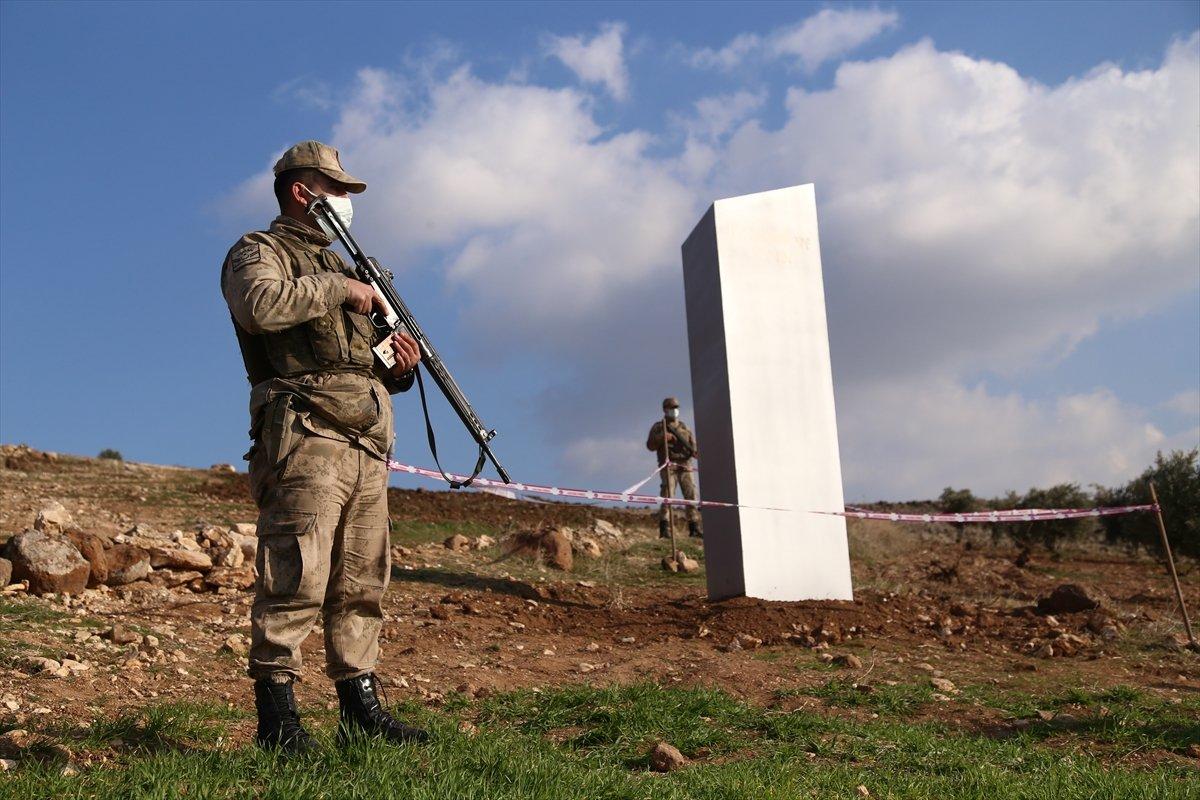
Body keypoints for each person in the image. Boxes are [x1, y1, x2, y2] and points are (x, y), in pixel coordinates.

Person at [221, 140, 428, 755]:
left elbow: (365, 355)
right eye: (334, 189)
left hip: (365, 443)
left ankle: (360, 706)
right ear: (299, 191)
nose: (343, 201)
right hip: (305, 435)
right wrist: (338, 288)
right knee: (297, 574)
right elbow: (260, 307)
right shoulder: (259, 251)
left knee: (362, 578)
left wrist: (399, 367)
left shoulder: (351, 267)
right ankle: (277, 717)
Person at [645, 397, 702, 538]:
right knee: (668, 496)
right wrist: (662, 437)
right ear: (665, 409)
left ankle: (694, 527)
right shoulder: (659, 427)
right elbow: (650, 446)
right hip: (668, 466)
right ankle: (665, 529)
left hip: (686, 465)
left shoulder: (684, 427)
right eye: (671, 408)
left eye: (676, 407)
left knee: (691, 495)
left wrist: (695, 451)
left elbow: (693, 445)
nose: (674, 410)